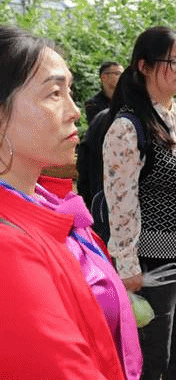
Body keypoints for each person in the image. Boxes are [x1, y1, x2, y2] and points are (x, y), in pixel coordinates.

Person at [0, 25, 140, 379]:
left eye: (70, 91)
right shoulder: (8, 248)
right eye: (53, 94)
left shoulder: (49, 202)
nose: (75, 111)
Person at [103, 26, 176, 380]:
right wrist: (127, 265)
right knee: (154, 349)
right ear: (144, 65)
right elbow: (121, 201)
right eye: (173, 62)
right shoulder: (129, 126)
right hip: (154, 260)